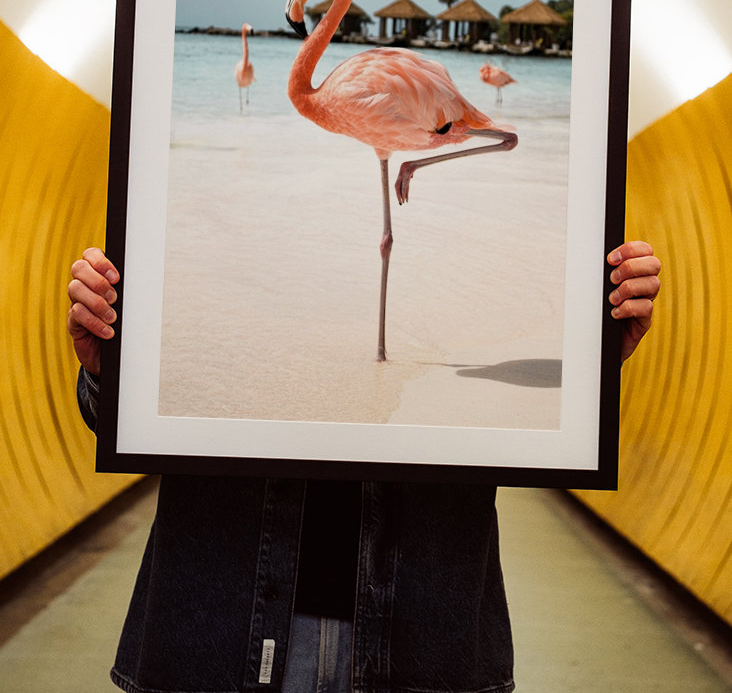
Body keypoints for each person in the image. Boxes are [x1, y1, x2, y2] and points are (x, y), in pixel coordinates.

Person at [68, 241, 661, 693]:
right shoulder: (227, 279)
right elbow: (131, 419)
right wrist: (110, 370)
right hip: (219, 627)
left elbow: (526, 422)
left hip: (424, 634)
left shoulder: (439, 308)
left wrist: (588, 364)